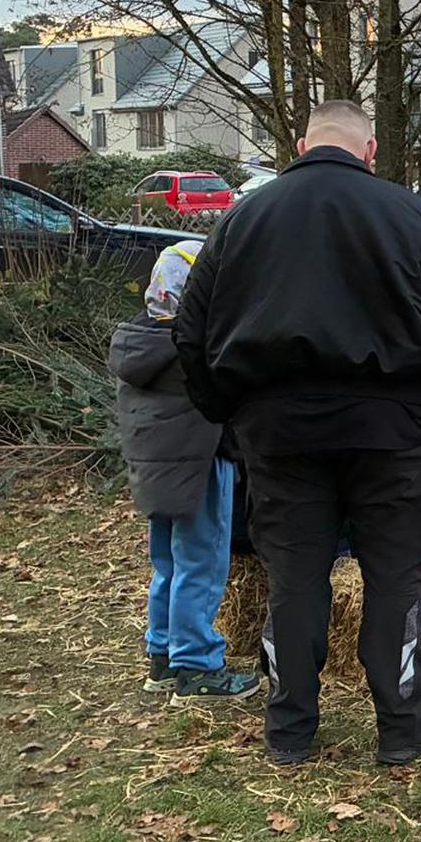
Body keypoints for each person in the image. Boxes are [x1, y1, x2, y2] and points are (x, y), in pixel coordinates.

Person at [175, 99, 421, 767]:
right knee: (395, 576)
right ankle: (403, 724)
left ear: (300, 145)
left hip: (280, 431)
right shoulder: (410, 214)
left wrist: (228, 415)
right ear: (370, 149)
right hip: (395, 432)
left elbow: (191, 332)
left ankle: (289, 727)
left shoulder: (243, 218)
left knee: (293, 577)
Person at [110, 241, 260, 702]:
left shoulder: (140, 343)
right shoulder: (192, 350)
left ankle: (162, 655)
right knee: (202, 564)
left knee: (168, 564)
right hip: (201, 466)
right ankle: (197, 666)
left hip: (158, 475)